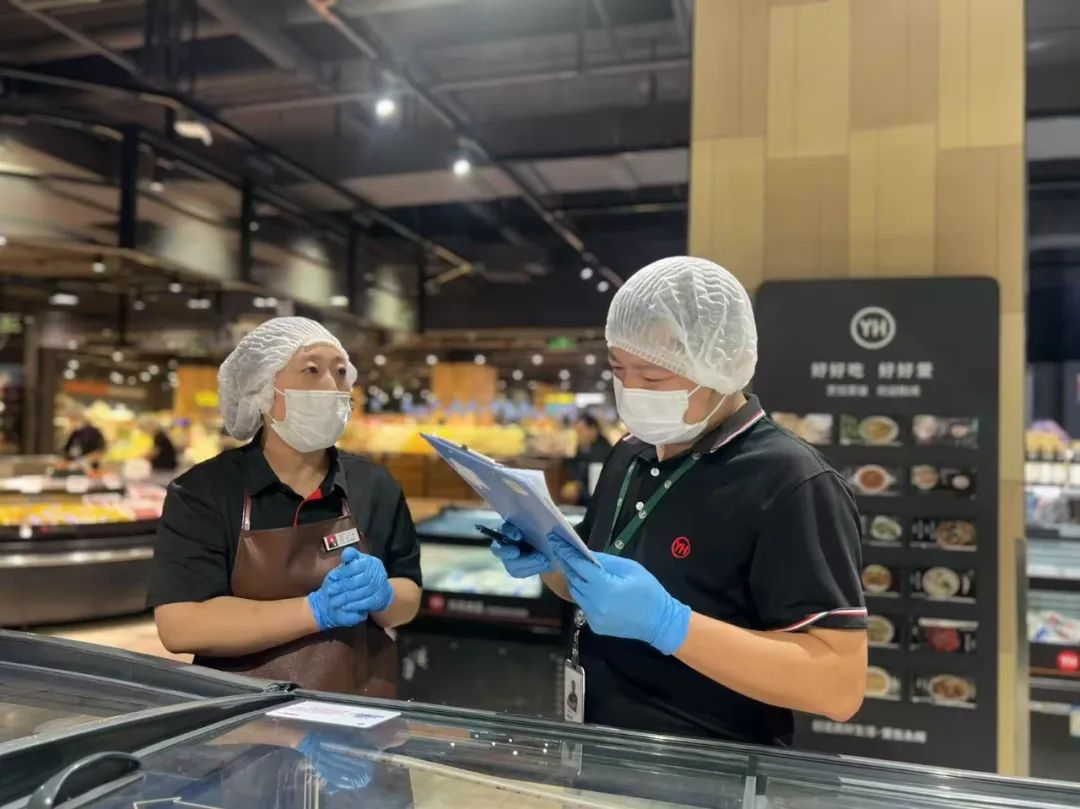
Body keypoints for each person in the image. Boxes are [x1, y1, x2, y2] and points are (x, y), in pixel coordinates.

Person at [491, 257, 867, 747]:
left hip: (710, 767)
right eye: (618, 370)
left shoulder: (792, 482)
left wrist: (670, 625)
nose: (631, 391)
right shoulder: (629, 454)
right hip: (598, 750)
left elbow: (838, 684)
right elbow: (590, 588)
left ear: (723, 367)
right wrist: (550, 558)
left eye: (653, 377)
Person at [147, 317, 422, 698]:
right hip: (240, 711)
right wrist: (316, 610)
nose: (332, 386)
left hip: (356, 705)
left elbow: (408, 596)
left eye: (341, 372)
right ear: (262, 390)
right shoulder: (204, 492)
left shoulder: (375, 486)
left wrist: (383, 596)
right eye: (311, 370)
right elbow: (180, 626)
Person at [559, 413, 613, 506]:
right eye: (576, 431)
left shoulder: (601, 452)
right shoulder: (584, 449)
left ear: (593, 430)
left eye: (581, 430)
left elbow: (596, 488)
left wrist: (577, 490)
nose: (578, 435)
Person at [61, 406, 106, 471]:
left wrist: (82, 462)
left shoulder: (94, 432)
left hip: (91, 471)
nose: (69, 423)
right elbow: (67, 453)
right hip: (72, 471)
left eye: (71, 419)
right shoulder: (74, 434)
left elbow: (99, 453)